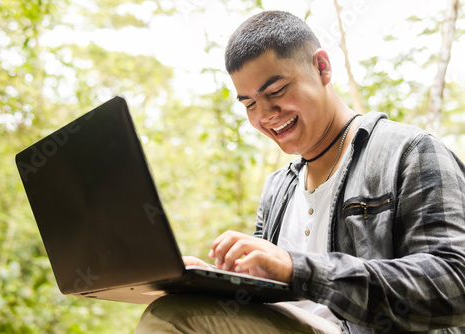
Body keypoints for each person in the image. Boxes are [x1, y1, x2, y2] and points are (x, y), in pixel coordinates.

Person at [136, 10, 465, 333]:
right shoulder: (277, 187)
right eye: (249, 104)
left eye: (276, 92)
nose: (265, 115)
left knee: (169, 317)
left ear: (321, 67)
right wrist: (210, 281)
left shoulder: (409, 152)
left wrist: (298, 269)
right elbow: (262, 290)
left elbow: (456, 281)